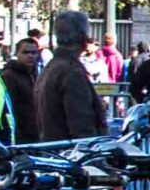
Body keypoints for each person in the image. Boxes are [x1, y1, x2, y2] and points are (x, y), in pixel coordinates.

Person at [38, 10, 108, 141]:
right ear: (83, 38)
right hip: (69, 152)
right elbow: (81, 124)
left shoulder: (51, 68)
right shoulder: (71, 72)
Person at [0, 37, 43, 144]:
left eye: (34, 53)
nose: (30, 56)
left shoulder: (35, 74)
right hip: (19, 135)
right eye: (25, 52)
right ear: (17, 54)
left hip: (35, 133)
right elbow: (6, 108)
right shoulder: (9, 76)